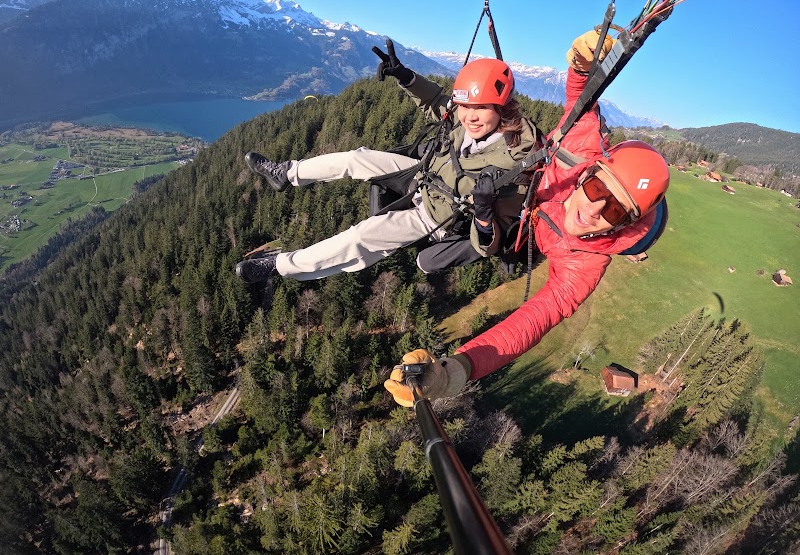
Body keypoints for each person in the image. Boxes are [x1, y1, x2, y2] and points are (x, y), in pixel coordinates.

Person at [384, 29, 671, 407]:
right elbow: (581, 93)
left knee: (428, 259)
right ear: (588, 173)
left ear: (624, 224)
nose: (594, 211)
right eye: (598, 191)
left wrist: (456, 369)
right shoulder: (580, 145)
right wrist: (584, 61)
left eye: (615, 211)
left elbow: (531, 322)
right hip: (510, 200)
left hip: (513, 234)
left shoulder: (585, 264)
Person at [235, 39, 541, 283]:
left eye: (481, 107)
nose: (469, 116)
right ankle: (285, 174)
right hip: (423, 177)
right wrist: (406, 76)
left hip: (436, 218)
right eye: (465, 106)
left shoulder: (517, 164)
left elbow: (490, 242)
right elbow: (439, 104)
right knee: (358, 158)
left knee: (358, 239)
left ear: (503, 105)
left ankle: (280, 266)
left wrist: (485, 215)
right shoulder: (470, 121)